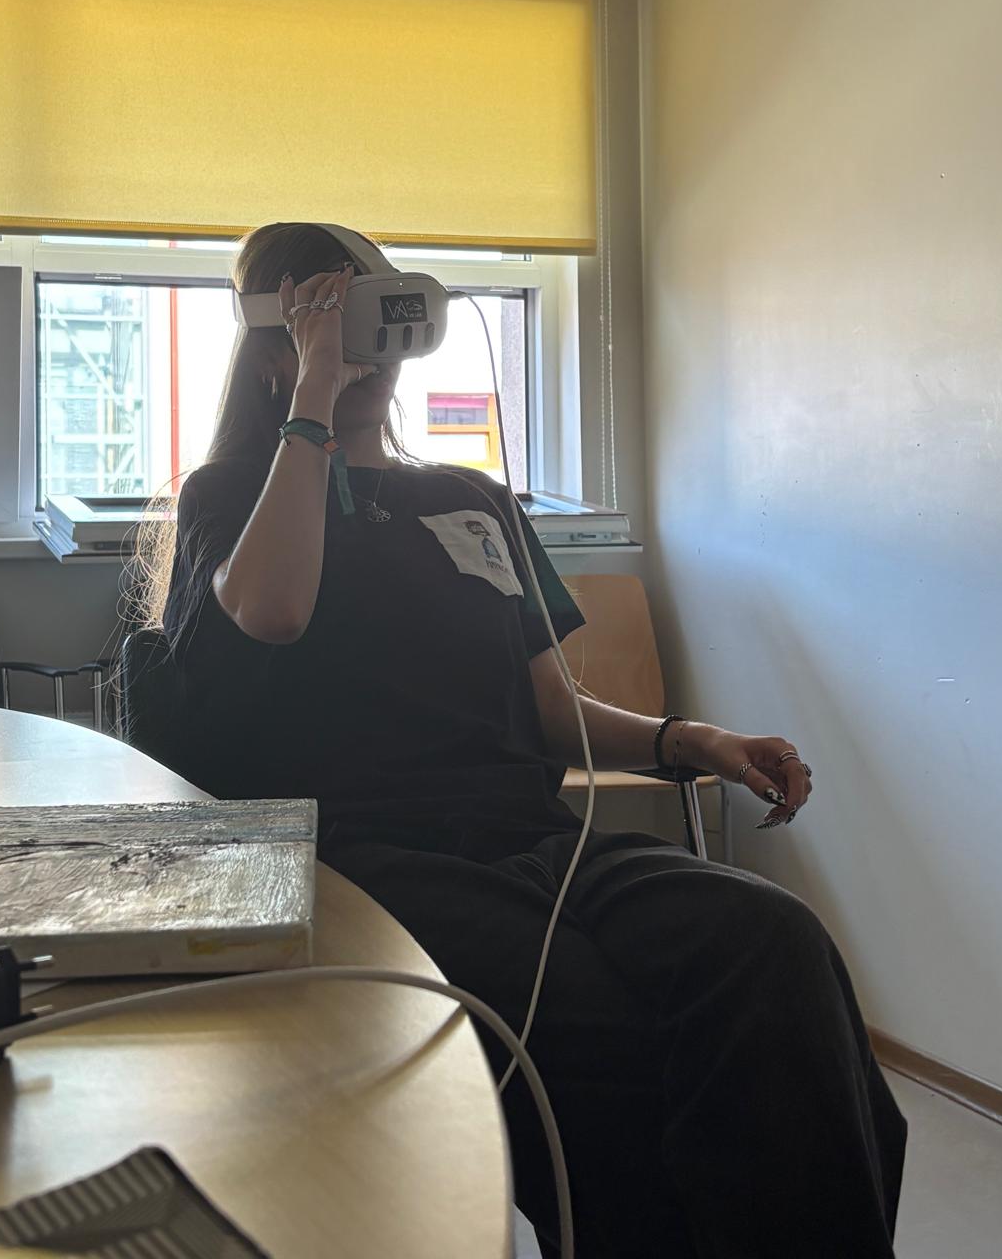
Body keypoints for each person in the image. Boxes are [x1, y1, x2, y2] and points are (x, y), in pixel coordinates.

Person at [144, 222, 907, 1259]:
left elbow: (553, 704)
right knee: (590, 1026)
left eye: (373, 319)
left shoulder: (472, 498)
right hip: (365, 861)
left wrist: (690, 741)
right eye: (326, 323)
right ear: (272, 348)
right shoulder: (229, 497)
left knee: (777, 949)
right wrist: (315, 395)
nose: (365, 352)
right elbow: (273, 612)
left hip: (536, 838)